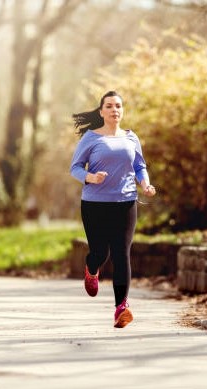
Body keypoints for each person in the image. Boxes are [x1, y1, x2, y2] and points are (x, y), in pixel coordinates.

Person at [70, 90, 156, 328]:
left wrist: (146, 184)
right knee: (100, 252)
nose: (114, 110)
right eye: (109, 106)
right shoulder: (91, 138)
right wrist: (91, 177)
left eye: (118, 106)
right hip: (95, 203)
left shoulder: (131, 138)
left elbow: (140, 166)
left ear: (122, 110)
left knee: (122, 253)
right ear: (101, 111)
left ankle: (121, 308)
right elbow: (75, 168)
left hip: (126, 201)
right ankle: (91, 267)